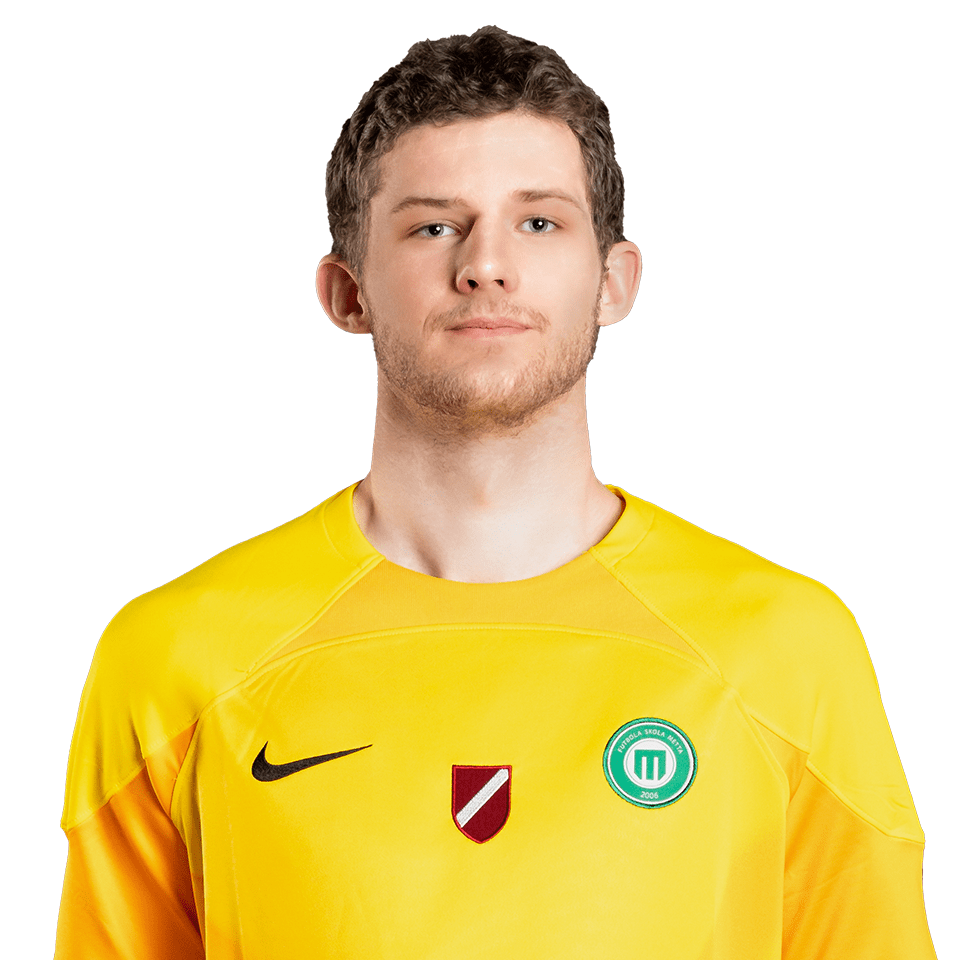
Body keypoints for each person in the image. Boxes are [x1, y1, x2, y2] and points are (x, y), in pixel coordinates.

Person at [55, 25, 937, 959]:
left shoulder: (785, 651)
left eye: (539, 222)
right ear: (347, 292)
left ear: (613, 281)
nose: (485, 263)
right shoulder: (175, 660)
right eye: (434, 226)